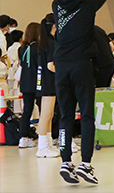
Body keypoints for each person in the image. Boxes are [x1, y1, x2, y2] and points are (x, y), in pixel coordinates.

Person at [53, 0, 114, 184]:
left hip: (61, 66)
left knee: (65, 116)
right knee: (86, 115)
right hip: (82, 65)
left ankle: (66, 161)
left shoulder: (56, 4)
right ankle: (85, 163)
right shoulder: (87, 5)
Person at [36, 14, 60, 158]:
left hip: (44, 82)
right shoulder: (51, 43)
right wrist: (63, 70)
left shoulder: (44, 42)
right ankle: (43, 146)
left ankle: (48, 143)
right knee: (46, 114)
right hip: (49, 81)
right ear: (53, 25)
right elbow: (51, 65)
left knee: (49, 114)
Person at [18, 22, 41, 149]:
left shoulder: (22, 49)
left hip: (25, 83)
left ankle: (23, 137)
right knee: (44, 109)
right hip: (37, 83)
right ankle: (46, 136)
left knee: (27, 111)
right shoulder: (38, 48)